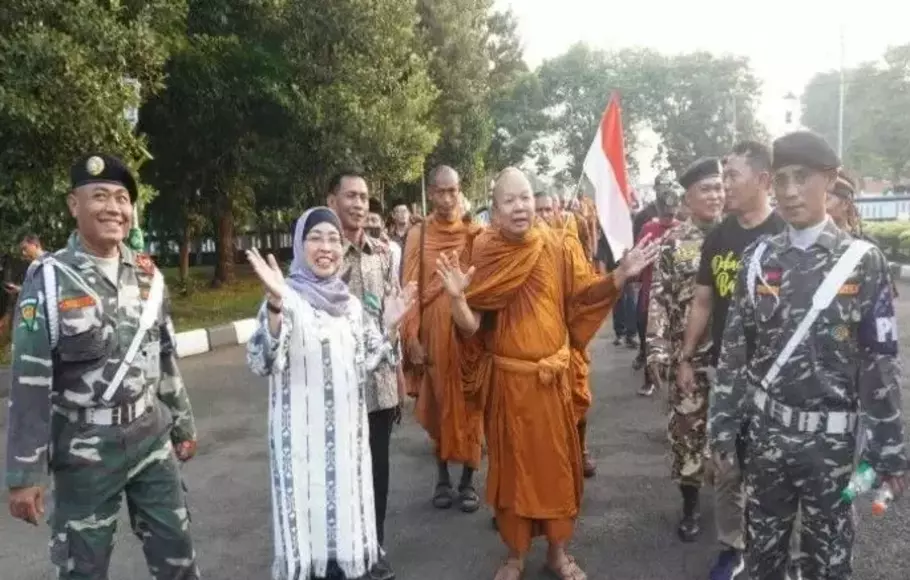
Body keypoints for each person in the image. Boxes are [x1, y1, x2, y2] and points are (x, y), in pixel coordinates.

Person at [435, 167, 659, 580]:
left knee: (558, 471)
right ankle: (515, 555)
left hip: (551, 383)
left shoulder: (557, 245)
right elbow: (470, 327)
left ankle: (558, 553)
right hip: (509, 384)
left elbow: (581, 298)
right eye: (509, 200)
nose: (519, 207)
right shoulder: (484, 252)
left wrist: (617, 276)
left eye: (524, 198)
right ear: (495, 210)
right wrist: (455, 299)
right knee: (513, 475)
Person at [710, 130, 908, 580]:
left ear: (830, 180)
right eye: (781, 179)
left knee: (830, 560)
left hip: (832, 448)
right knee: (764, 556)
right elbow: (735, 354)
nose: (791, 191)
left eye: (803, 178)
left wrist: (890, 450)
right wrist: (721, 429)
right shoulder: (758, 260)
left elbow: (878, 362)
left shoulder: (863, 262)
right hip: (768, 440)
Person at [5, 153, 199, 580]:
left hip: (151, 436)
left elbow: (164, 358)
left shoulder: (148, 275)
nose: (114, 208)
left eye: (122, 198)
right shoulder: (51, 278)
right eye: (100, 197)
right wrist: (24, 472)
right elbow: (29, 379)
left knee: (178, 559)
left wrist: (182, 425)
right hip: (84, 448)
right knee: (83, 569)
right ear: (75, 205)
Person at [245, 207, 416, 580]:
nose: (326, 248)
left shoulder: (351, 307)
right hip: (302, 454)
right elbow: (263, 360)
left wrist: (387, 326)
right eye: (316, 238)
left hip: (347, 450)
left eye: (334, 239)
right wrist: (275, 304)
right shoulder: (287, 299)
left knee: (346, 546)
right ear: (299, 245)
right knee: (310, 550)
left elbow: (366, 360)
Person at [677, 141, 785, 580]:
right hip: (727, 372)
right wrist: (685, 356)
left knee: (772, 467)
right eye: (721, 178)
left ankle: (770, 549)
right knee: (726, 466)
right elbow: (703, 301)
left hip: (776, 378)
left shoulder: (783, 234)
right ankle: (731, 547)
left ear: (763, 180)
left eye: (732, 177)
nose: (724, 187)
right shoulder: (719, 237)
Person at [327, 170, 401, 580]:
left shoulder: (382, 254)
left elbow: (393, 317)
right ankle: (340, 553)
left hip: (379, 386)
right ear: (332, 199)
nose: (358, 203)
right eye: (350, 195)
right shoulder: (320, 251)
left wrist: (400, 375)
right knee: (340, 474)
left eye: (364, 197)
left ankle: (374, 548)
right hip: (337, 389)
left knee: (377, 475)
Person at [646, 158, 724, 542]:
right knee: (688, 434)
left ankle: (736, 506)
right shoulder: (673, 243)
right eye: (705, 189)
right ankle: (691, 506)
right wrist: (658, 350)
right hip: (687, 358)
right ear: (689, 197)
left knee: (736, 436)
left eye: (718, 187)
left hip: (732, 361)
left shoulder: (740, 237)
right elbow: (658, 298)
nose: (714, 195)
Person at [400, 165, 484, 513]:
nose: (448, 199)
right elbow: (410, 289)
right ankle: (442, 478)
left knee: (470, 408)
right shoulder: (418, 235)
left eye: (454, 191)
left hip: (468, 336)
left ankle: (467, 481)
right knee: (437, 404)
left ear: (460, 191)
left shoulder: (475, 232)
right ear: (431, 194)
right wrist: (411, 338)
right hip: (433, 336)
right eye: (441, 192)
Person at [535, 191, 598, 478]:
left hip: (569, 337)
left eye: (549, 209)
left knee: (578, 398)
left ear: (559, 211)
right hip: (537, 342)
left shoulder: (569, 246)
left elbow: (585, 291)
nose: (543, 216)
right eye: (539, 210)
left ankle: (581, 450)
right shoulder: (522, 250)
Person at [635, 180, 681, 397]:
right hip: (649, 295)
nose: (669, 217)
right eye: (666, 212)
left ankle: (671, 378)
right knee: (648, 339)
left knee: (673, 342)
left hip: (674, 298)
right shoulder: (648, 228)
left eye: (672, 212)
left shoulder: (683, 231)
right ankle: (648, 380)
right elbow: (638, 257)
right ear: (659, 207)